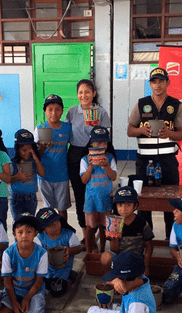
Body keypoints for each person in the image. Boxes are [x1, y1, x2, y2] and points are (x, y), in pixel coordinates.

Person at [127, 67, 182, 239]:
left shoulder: (175, 105)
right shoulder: (141, 103)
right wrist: (141, 130)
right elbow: (130, 130)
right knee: (144, 203)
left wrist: (170, 134)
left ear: (168, 82)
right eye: (154, 81)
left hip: (168, 161)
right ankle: (147, 239)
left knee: (171, 201)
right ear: (150, 84)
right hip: (144, 161)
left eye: (161, 81)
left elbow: (181, 133)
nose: (158, 85)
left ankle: (171, 238)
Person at [66, 79, 111, 237]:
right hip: (76, 155)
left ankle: (100, 231)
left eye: (87, 92)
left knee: (98, 192)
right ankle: (86, 235)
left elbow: (106, 136)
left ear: (94, 93)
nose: (83, 95)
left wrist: (95, 127)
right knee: (80, 195)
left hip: (96, 152)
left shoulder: (101, 112)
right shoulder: (72, 112)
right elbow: (66, 133)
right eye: (80, 92)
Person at [0, 213, 48, 313]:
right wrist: (14, 302)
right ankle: (12, 305)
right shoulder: (8, 253)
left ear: (35, 233)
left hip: (33, 290)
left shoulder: (42, 253)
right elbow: (7, 281)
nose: (24, 236)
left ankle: (28, 303)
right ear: (14, 234)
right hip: (14, 290)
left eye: (29, 232)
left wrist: (27, 298)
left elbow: (39, 282)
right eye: (20, 232)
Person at [100, 186, 154, 278]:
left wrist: (146, 266)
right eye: (120, 205)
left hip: (135, 258)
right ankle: (113, 277)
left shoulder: (142, 223)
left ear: (135, 206)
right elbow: (115, 250)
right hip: (120, 257)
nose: (123, 208)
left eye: (128, 205)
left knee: (134, 282)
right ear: (115, 206)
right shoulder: (113, 223)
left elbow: (149, 246)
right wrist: (115, 238)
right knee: (105, 257)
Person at [80, 127, 117, 253]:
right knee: (90, 227)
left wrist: (106, 166)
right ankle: (89, 252)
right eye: (98, 143)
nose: (102, 146)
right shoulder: (85, 159)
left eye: (105, 143)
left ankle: (102, 250)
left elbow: (113, 177)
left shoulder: (110, 158)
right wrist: (90, 166)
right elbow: (84, 180)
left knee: (103, 226)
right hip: (91, 200)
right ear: (91, 143)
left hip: (106, 198)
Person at [35, 94, 72, 221]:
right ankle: (50, 235)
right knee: (48, 210)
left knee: (62, 208)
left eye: (57, 109)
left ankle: (63, 231)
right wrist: (43, 147)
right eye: (50, 109)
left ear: (62, 111)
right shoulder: (40, 129)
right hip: (44, 175)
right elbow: (35, 155)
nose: (54, 113)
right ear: (45, 111)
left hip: (62, 175)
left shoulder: (67, 128)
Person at [35, 207, 82, 297]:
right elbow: (38, 253)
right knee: (34, 282)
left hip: (63, 269)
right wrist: (45, 258)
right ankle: (49, 283)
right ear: (43, 229)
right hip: (47, 269)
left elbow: (79, 248)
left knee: (57, 291)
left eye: (57, 221)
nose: (55, 225)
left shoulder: (68, 234)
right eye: (50, 225)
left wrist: (70, 250)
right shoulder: (41, 238)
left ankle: (71, 277)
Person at [9, 129, 45, 222]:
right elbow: (7, 179)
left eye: (30, 150)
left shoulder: (33, 162)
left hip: (31, 198)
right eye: (24, 150)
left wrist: (36, 158)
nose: (27, 153)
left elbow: (42, 173)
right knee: (18, 223)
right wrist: (18, 177)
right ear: (17, 149)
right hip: (17, 198)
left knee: (30, 223)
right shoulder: (13, 163)